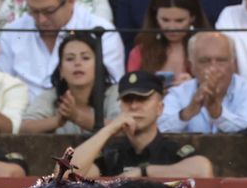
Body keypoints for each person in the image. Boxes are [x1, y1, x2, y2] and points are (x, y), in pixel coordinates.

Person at [0, 0, 125, 94]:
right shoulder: (13, 32)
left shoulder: (101, 32)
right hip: (21, 114)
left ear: (71, 1)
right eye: (34, 11)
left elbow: (112, 90)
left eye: (49, 11)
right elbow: (1, 87)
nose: (41, 20)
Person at [71, 69, 215, 178]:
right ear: (120, 107)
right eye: (128, 100)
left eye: (142, 99)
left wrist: (144, 172)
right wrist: (109, 129)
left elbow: (203, 170)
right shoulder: (113, 156)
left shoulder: (172, 152)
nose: (134, 106)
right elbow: (66, 174)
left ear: (160, 108)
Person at [159, 26, 247, 132]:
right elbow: (158, 130)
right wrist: (187, 112)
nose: (213, 68)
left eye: (221, 60)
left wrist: (217, 112)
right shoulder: (178, 94)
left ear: (233, 64)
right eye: (204, 61)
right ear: (192, 66)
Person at [16, 30, 116, 134]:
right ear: (61, 71)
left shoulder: (113, 93)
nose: (77, 63)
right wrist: (57, 121)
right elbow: (24, 128)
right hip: (64, 151)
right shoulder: (51, 96)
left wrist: (77, 117)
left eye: (85, 58)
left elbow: (123, 128)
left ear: (98, 66)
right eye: (70, 59)